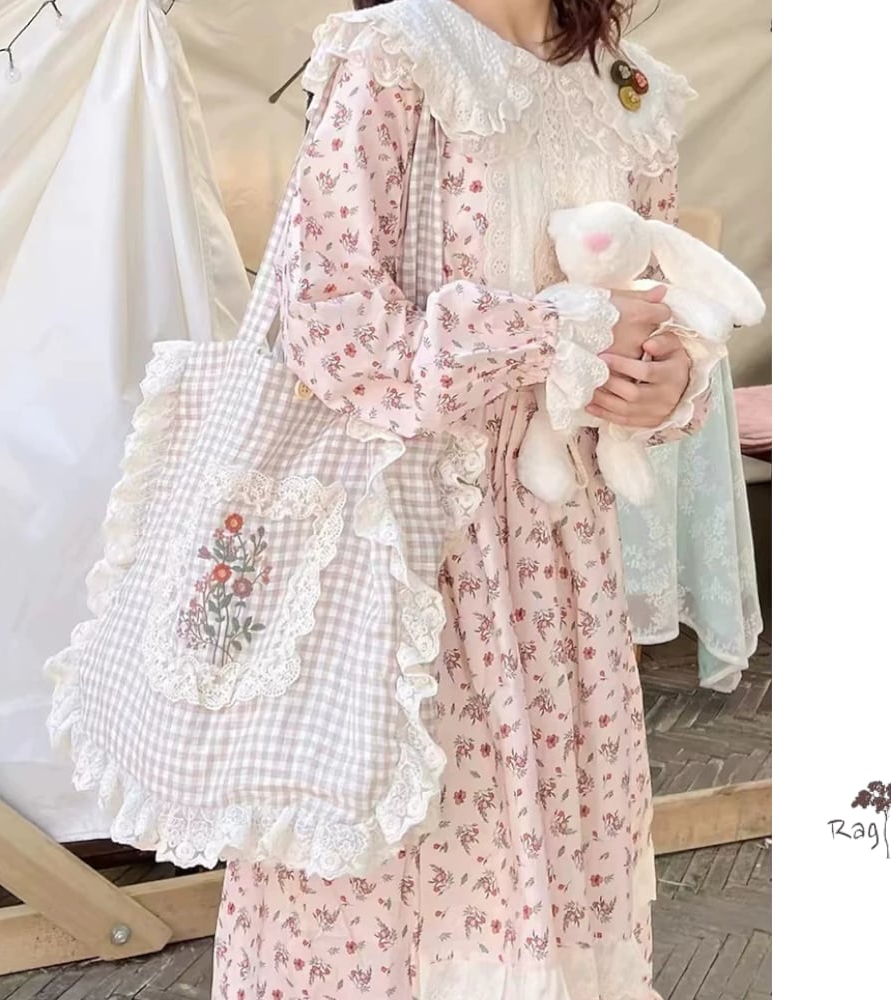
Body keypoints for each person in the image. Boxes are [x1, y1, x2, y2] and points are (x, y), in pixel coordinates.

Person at [212, 1, 717, 997]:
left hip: (561, 578)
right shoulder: (400, 57)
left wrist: (667, 383)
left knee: (545, 870)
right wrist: (553, 334)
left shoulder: (628, 87)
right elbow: (333, 327)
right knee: (402, 871)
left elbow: (659, 307)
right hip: (413, 559)